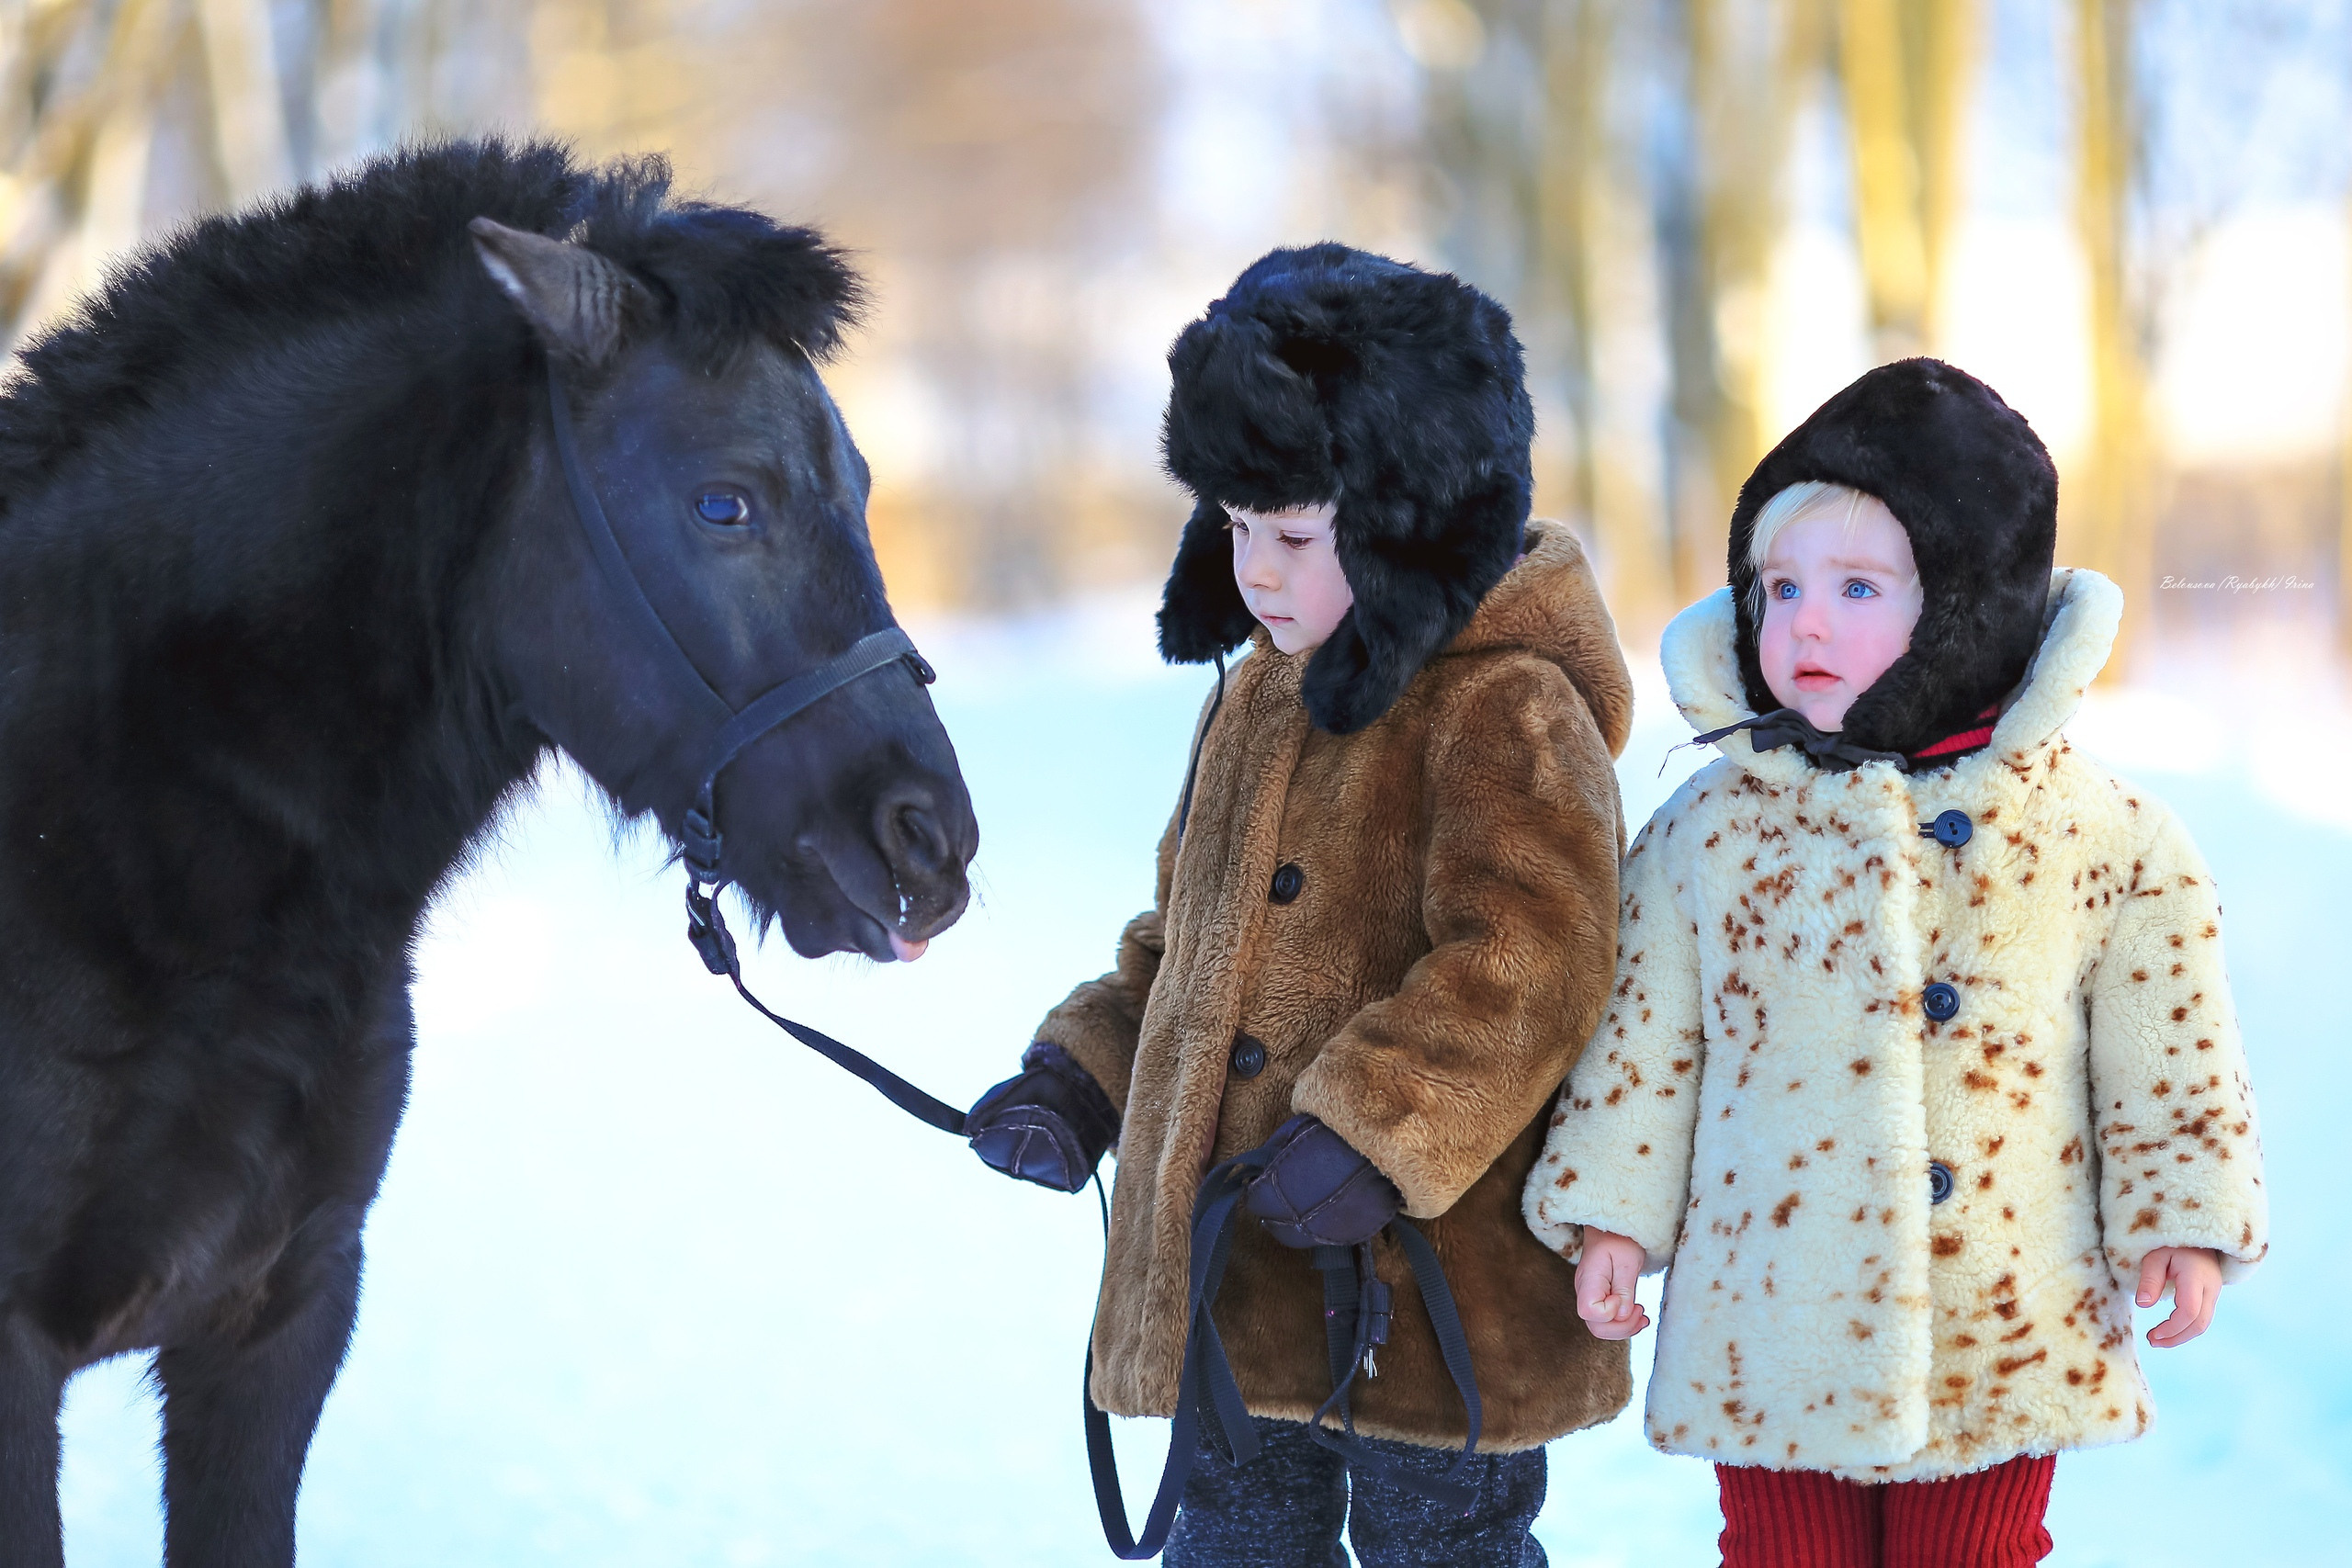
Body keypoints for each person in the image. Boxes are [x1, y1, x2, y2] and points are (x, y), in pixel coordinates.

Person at [1522, 358, 2270, 1568]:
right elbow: (1645, 1041)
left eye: (1857, 587)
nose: (1804, 622)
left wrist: (2181, 1213)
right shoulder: (1712, 831)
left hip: (2000, 1309)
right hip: (1773, 1307)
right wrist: (1611, 1211)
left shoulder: (2098, 833)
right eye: (1779, 587)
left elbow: (2168, 1044)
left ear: (1970, 604)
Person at [964, 243, 1636, 1566]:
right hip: (1239, 1295)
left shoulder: (1503, 704)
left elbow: (1536, 960)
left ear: (1408, 518)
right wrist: (1080, 1076)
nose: (1255, 572)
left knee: (1443, 1555)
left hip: (1429, 1305)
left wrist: (1376, 1129)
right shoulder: (1259, 697)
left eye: (1292, 536)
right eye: (1231, 528)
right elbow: (1187, 948)